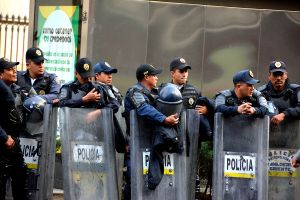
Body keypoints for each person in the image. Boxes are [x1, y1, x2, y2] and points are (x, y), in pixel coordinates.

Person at [123, 63, 179, 200]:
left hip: (151, 143)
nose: (156, 78)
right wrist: (164, 120)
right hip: (137, 143)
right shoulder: (134, 92)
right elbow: (143, 109)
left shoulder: (154, 92)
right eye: (154, 75)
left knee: (149, 180)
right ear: (146, 77)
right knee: (134, 178)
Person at [0, 58, 27, 199]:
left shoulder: (15, 89)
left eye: (15, 68)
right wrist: (4, 137)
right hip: (2, 143)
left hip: (14, 142)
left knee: (21, 179)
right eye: (10, 69)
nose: (14, 72)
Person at [168, 57, 214, 137]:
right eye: (181, 71)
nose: (184, 74)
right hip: (170, 134)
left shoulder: (195, 91)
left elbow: (202, 112)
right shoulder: (164, 90)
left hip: (191, 135)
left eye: (186, 71)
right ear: (172, 73)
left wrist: (206, 111)